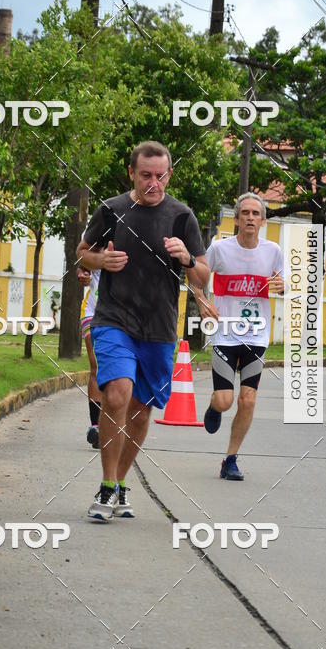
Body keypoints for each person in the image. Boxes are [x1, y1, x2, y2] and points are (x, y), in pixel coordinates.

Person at [76, 140, 210, 520]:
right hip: (114, 320)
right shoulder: (112, 210)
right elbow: (82, 251)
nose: (154, 182)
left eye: (161, 175)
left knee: (140, 410)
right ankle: (105, 488)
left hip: (160, 327)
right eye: (146, 175)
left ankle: (119, 483)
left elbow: (203, 273)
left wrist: (186, 258)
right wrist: (100, 259)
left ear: (169, 174)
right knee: (117, 395)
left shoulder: (182, 217)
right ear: (131, 173)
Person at [193, 192, 284, 482]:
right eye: (245, 213)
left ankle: (230, 459)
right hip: (224, 334)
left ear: (263, 220)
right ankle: (214, 405)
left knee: (248, 400)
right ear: (236, 218)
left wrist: (283, 285)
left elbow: (286, 283)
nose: (250, 218)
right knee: (225, 400)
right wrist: (202, 301)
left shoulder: (273, 252)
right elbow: (197, 277)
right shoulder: (220, 249)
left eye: (256, 214)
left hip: (256, 335)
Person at [78, 267, 102, 447]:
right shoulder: (94, 239)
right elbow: (82, 262)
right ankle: (96, 426)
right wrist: (82, 274)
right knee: (96, 366)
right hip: (92, 312)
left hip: (122, 316)